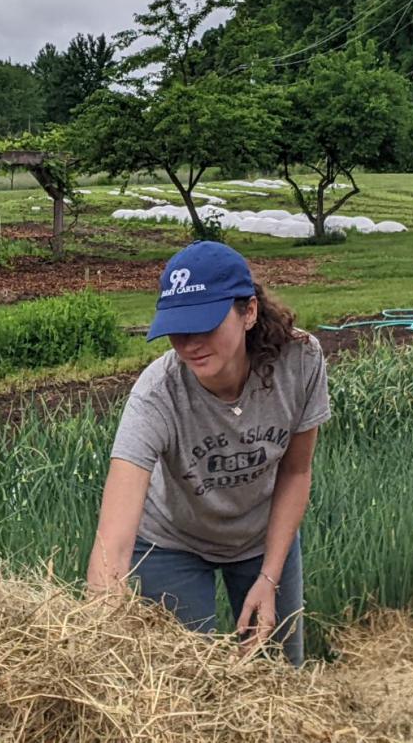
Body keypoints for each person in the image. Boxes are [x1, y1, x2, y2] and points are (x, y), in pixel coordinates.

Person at [86, 241, 329, 666]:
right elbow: (115, 539)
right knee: (183, 680)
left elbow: (295, 472)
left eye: (205, 325)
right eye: (178, 330)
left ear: (248, 312)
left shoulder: (300, 361)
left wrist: (269, 577)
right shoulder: (157, 394)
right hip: (171, 542)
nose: (190, 344)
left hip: (260, 535)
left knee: (278, 678)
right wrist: (96, 634)